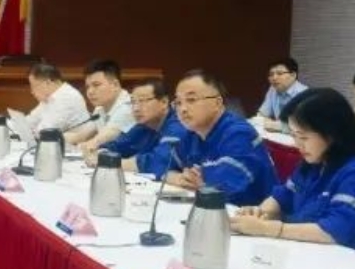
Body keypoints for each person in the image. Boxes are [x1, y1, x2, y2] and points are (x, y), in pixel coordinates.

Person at [231, 88, 355, 252]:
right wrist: (260, 213)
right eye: (294, 135)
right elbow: (284, 196)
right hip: (312, 253)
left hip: (353, 261)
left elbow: (333, 231)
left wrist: (266, 228)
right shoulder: (315, 161)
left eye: (304, 137)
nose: (297, 144)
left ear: (332, 133)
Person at [165, 70, 277, 206]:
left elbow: (224, 182)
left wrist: (198, 178)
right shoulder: (191, 134)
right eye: (178, 102)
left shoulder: (240, 133)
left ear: (217, 103)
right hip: (209, 207)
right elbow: (161, 165)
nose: (183, 109)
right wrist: (179, 178)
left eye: (191, 100)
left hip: (251, 213)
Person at [89, 78, 185, 176]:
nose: (136, 108)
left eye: (143, 101)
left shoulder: (177, 125)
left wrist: (109, 162)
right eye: (133, 102)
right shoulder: (144, 125)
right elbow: (116, 146)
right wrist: (101, 153)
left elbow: (158, 162)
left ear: (164, 102)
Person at [69, 59, 135, 147]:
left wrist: (82, 146)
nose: (90, 92)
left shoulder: (129, 107)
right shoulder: (100, 108)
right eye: (87, 87)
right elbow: (80, 136)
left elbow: (96, 142)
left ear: (115, 85)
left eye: (96, 85)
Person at [25, 63, 89, 136]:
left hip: (77, 142)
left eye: (33, 86)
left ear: (47, 83)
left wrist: (27, 132)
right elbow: (30, 120)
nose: (32, 92)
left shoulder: (67, 97)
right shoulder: (49, 98)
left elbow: (45, 132)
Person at [257, 57, 309, 131]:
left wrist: (275, 125)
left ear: (293, 75)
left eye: (280, 73)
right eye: (271, 74)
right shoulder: (273, 89)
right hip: (280, 135)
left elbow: (303, 127)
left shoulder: (304, 94)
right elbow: (262, 115)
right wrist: (268, 122)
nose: (274, 78)